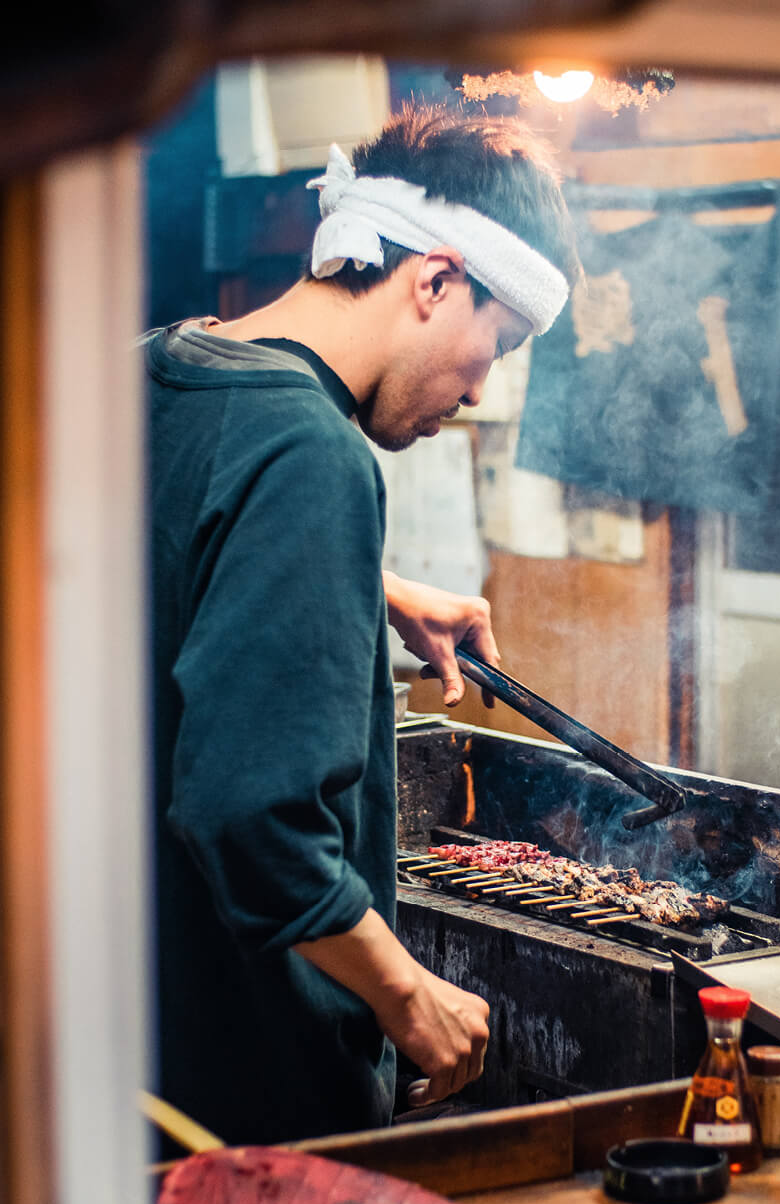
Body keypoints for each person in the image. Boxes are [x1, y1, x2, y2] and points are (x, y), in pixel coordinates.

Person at [146, 105, 580, 1145]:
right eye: (496, 344)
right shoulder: (312, 455)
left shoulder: (164, 365)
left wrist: (364, 582)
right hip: (240, 1096)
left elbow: (164, 530)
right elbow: (249, 817)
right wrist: (406, 998)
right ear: (432, 280)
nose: (479, 391)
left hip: (125, 1046)